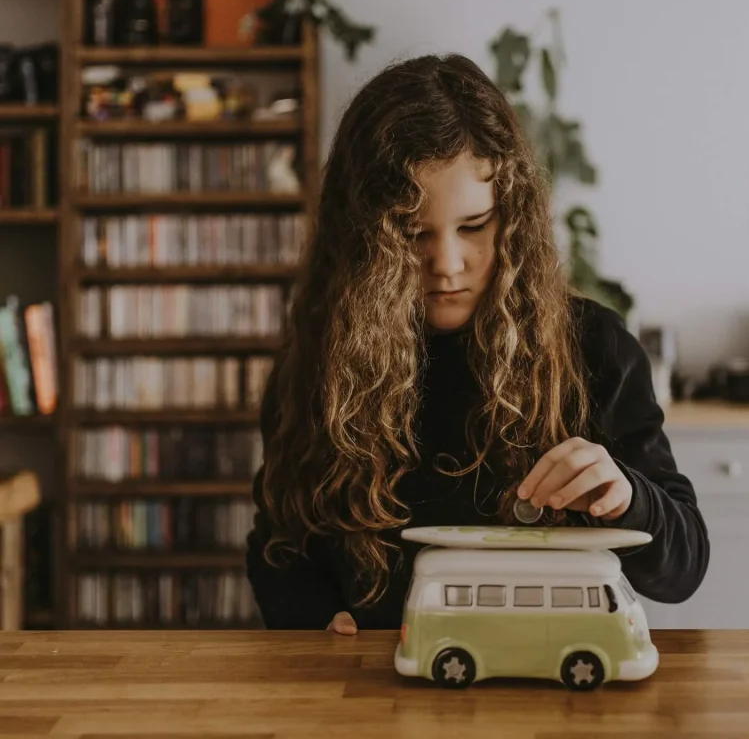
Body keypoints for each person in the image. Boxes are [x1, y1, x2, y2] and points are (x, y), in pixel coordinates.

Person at [246, 53, 709, 634]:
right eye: (411, 233)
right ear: (363, 236)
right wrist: (312, 622)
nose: (446, 264)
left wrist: (627, 496)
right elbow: (279, 545)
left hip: (552, 688)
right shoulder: (319, 361)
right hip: (373, 692)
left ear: (512, 218)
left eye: (473, 226)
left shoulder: (595, 347)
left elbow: (683, 569)